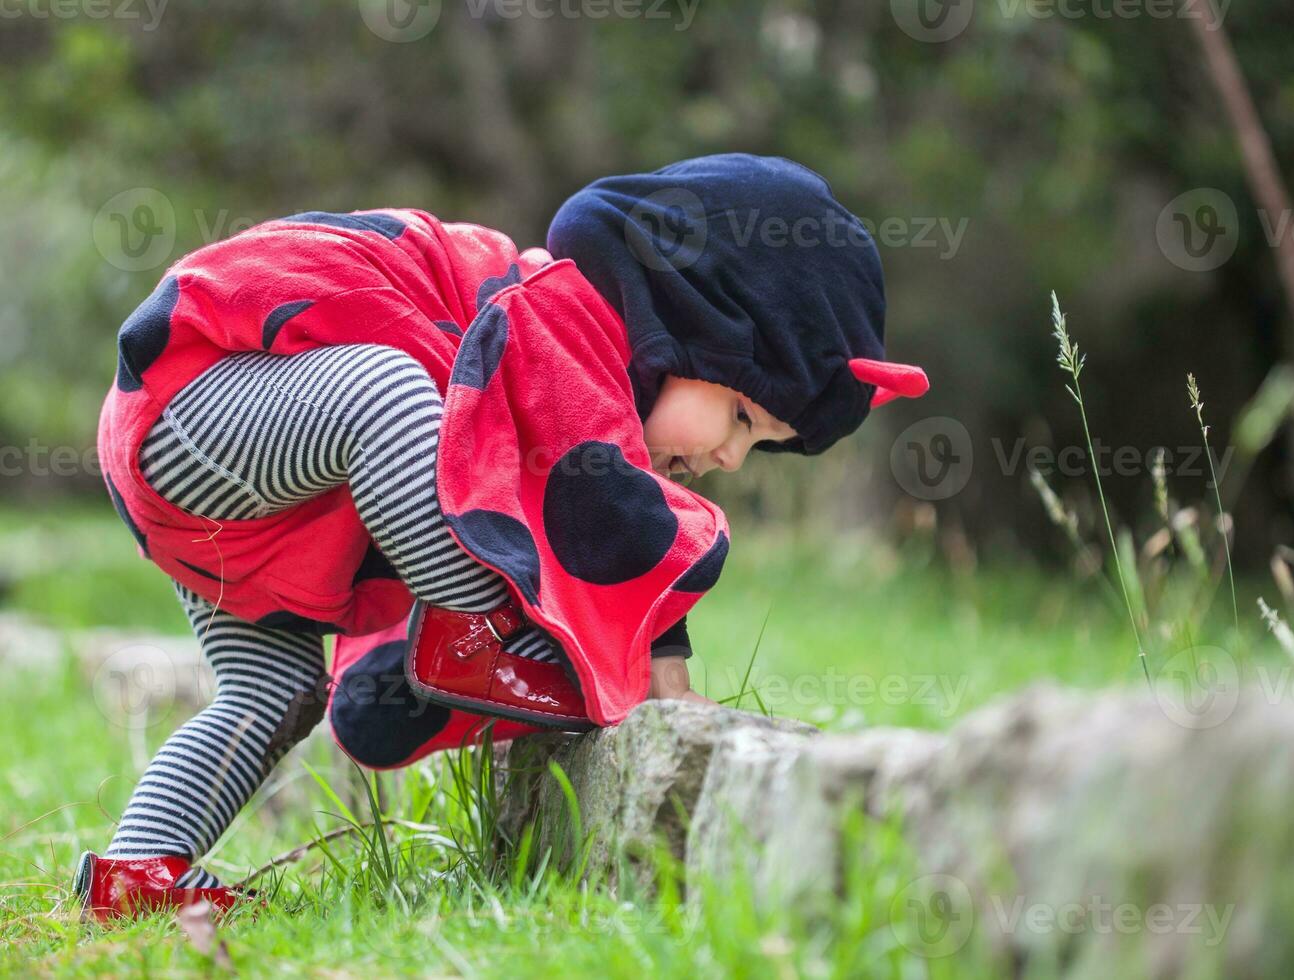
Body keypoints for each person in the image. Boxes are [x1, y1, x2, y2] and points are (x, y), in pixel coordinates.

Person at [75, 153, 929, 921]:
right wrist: (657, 668)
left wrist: (652, 670)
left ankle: (138, 871)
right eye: (742, 415)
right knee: (386, 393)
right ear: (691, 319)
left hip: (230, 510)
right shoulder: (565, 316)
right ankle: (467, 635)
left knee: (271, 690)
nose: (730, 458)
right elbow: (612, 521)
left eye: (760, 446)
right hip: (205, 400)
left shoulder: (569, 372)